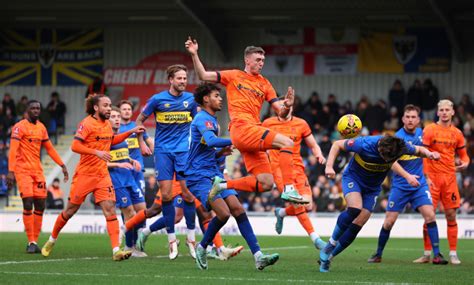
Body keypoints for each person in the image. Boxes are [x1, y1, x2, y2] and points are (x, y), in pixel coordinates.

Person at [185, 36, 307, 204]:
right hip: (242, 128)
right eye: (258, 59)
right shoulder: (234, 75)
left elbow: (282, 114)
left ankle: (222, 185)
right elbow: (203, 75)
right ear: (247, 60)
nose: (261, 63)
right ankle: (288, 188)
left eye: (263, 60)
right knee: (287, 143)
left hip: (252, 134)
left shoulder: (265, 84)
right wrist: (194, 54)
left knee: (266, 183)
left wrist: (287, 105)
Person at [41, 94, 145, 261]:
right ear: (96, 108)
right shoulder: (87, 123)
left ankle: (116, 250)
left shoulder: (107, 125)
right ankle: (52, 239)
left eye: (110, 105)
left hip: (102, 175)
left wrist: (131, 132)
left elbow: (112, 140)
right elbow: (75, 145)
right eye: (106, 105)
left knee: (110, 209)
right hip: (84, 175)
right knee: (70, 211)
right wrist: (96, 152)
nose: (109, 108)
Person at [187, 82, 279, 270]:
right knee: (224, 214)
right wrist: (240, 140)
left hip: (213, 172)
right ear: (206, 99)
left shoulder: (212, 121)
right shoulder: (202, 119)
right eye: (216, 96)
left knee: (238, 209)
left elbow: (206, 148)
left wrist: (219, 154)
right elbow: (212, 141)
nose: (221, 99)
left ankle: (259, 256)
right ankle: (202, 247)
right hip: (198, 175)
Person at [319, 134, 440, 272]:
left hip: (373, 188)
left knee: (360, 222)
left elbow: (419, 150)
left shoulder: (400, 146)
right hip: (354, 178)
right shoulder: (364, 144)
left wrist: (430, 154)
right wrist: (329, 166)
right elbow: (337, 144)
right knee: (355, 208)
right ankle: (331, 243)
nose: (388, 161)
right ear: (380, 149)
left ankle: (328, 257)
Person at [367, 105, 448, 264]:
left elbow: (427, 153)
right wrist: (407, 176)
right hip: (401, 186)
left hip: (419, 184)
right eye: (408, 117)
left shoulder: (423, 134)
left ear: (418, 120)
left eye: (413, 117)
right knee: (389, 221)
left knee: (430, 215)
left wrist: (431, 163)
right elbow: (392, 162)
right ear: (403, 119)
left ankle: (437, 255)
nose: (410, 120)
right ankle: (378, 254)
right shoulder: (397, 138)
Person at [135, 64, 198, 259]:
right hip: (162, 152)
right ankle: (172, 241)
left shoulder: (191, 100)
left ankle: (191, 239)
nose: (183, 81)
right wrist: (142, 143)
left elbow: (198, 124)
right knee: (167, 197)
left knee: (188, 195)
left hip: (184, 152)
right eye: (179, 78)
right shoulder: (157, 100)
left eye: (185, 78)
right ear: (170, 79)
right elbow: (139, 121)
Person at [7, 100, 69, 253]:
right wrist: (11, 171)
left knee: (40, 205)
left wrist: (62, 165)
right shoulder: (19, 127)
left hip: (37, 171)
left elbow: (50, 149)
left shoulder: (41, 127)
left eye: (38, 108)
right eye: (33, 108)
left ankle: (35, 241)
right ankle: (31, 242)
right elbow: (13, 150)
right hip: (23, 170)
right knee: (28, 202)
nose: (36, 110)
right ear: (27, 110)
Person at [262, 105, 327, 249]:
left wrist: (319, 154)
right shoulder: (267, 123)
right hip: (278, 170)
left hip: (297, 168)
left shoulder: (301, 123)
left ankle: (282, 212)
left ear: (292, 108)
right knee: (298, 203)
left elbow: (313, 144)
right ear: (276, 109)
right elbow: (258, 142)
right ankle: (316, 239)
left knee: (308, 205)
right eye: (281, 106)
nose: (284, 108)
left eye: (287, 105)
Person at [413, 99, 470, 265]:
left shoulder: (458, 134)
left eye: (447, 110)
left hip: (450, 179)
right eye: (442, 110)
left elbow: (464, 155)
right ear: (437, 112)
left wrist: (465, 163)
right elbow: (424, 153)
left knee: (451, 215)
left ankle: (453, 253)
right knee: (429, 216)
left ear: (453, 112)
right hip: (432, 178)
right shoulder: (430, 129)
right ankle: (426, 254)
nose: (444, 112)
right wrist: (427, 177)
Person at [108, 107, 147, 257]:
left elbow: (121, 156)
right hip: (117, 181)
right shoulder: (105, 138)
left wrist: (131, 160)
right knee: (129, 213)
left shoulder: (121, 138)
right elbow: (100, 162)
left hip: (129, 178)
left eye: (118, 116)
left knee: (142, 211)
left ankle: (130, 242)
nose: (117, 119)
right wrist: (118, 165)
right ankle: (129, 246)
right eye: (113, 116)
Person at [118, 100, 153, 254]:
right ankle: (129, 244)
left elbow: (148, 140)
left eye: (129, 109)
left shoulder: (137, 126)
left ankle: (138, 245)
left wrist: (153, 149)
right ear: (119, 112)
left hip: (137, 172)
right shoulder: (115, 128)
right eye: (124, 109)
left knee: (141, 209)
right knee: (127, 209)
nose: (126, 111)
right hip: (122, 172)